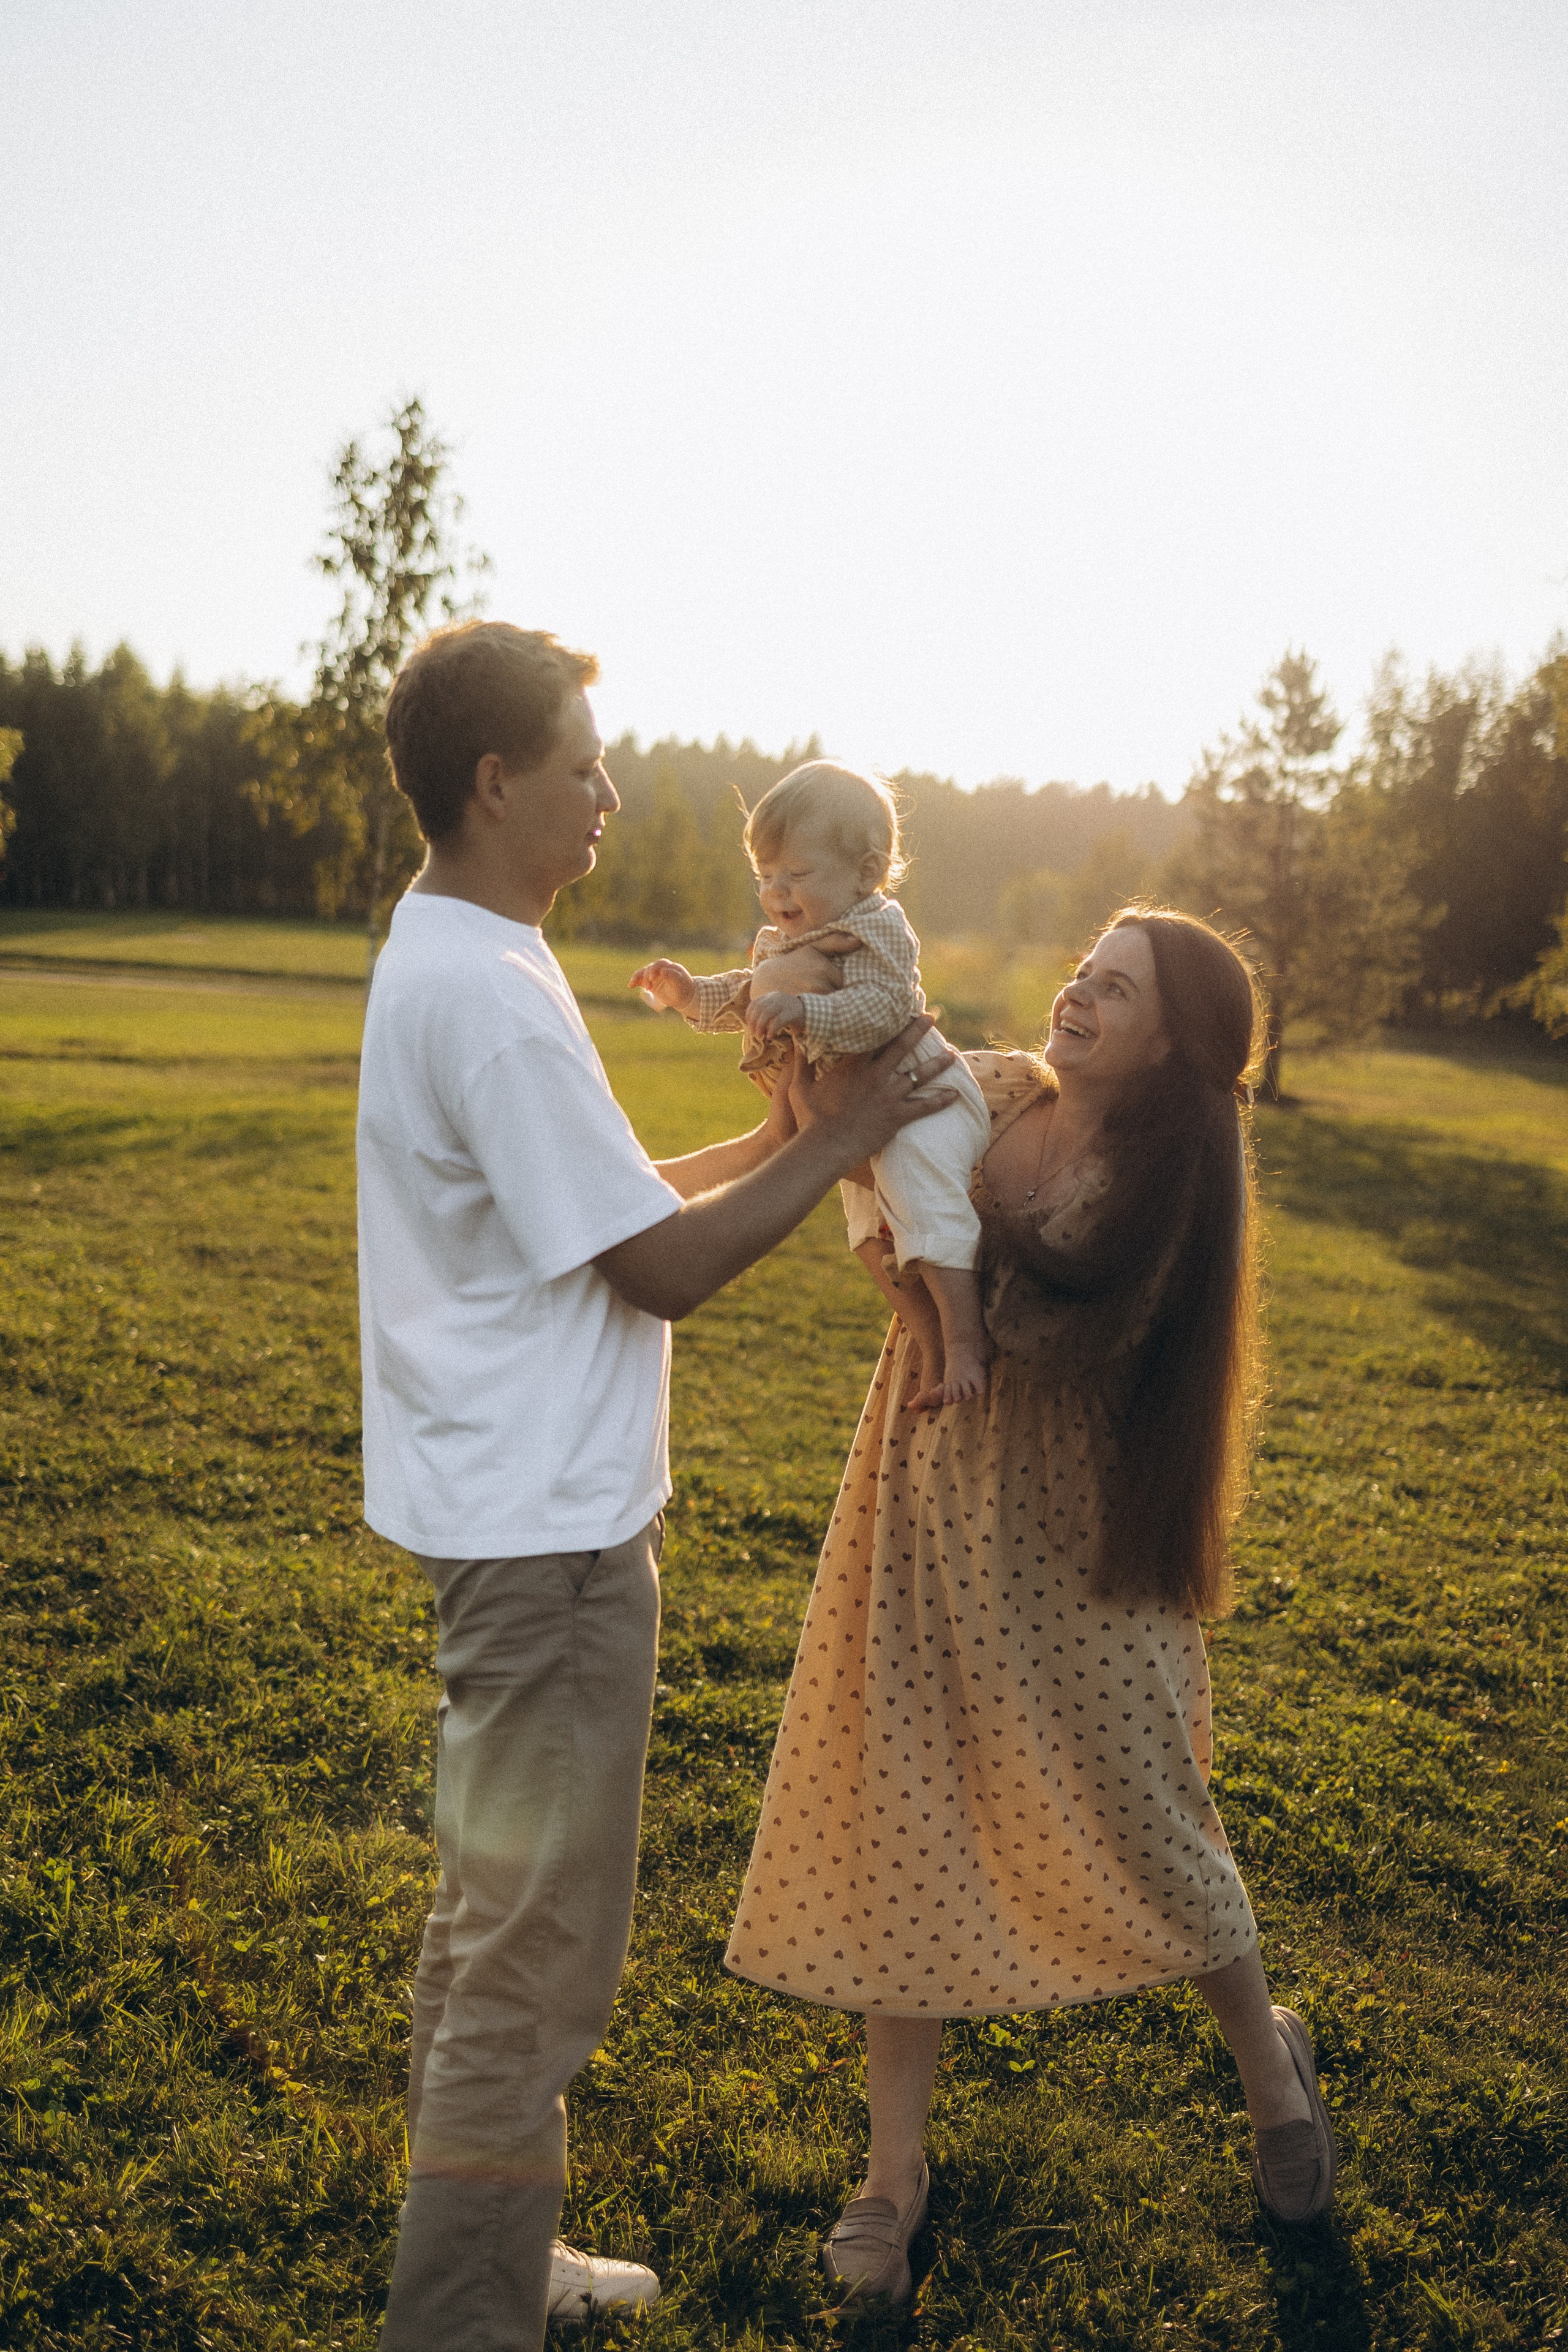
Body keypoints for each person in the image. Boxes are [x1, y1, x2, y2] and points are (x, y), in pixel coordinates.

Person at [356, 620, 956, 2352]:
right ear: (497, 782)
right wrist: (843, 1139)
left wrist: (772, 1142)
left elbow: (602, 1202)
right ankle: (462, 2321)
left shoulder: (462, 947)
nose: (610, 791)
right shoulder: (491, 994)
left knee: (492, 1925)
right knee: (534, 1960)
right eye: (583, 764)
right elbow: (660, 1269)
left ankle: (495, 2255)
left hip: (504, 1510)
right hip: (545, 1538)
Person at [725, 907, 1338, 2306]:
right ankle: (891, 2174)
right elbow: (851, 1137)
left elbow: (1050, 1334)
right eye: (1078, 971)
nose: (1075, 994)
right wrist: (796, 1024)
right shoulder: (992, 1089)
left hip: (1074, 1538)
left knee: (1147, 1810)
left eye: (1112, 989)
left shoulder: (1165, 1186)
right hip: (922, 1495)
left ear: (1169, 1042)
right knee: (904, 1811)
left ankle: (1268, 2067)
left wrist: (929, 1244)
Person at [630, 760, 993, 1409]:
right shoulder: (788, 939)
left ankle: (966, 1341)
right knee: (867, 1237)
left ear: (865, 872)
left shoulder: (877, 928)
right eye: (764, 876)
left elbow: (884, 1007)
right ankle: (931, 1342)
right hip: (859, 1111)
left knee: (921, 1201)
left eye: (795, 874)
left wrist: (804, 1011)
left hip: (919, 1097)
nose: (776, 892)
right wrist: (689, 995)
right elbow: (750, 994)